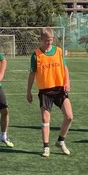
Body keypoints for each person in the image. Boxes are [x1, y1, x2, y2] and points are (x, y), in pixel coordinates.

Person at [26, 26, 73, 157]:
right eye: (47, 40)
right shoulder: (36, 55)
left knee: (69, 116)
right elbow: (32, 74)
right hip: (45, 91)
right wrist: (28, 91)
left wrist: (67, 82)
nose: (49, 42)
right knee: (45, 119)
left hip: (59, 89)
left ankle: (61, 141)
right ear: (41, 39)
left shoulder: (58, 51)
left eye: (51, 40)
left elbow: (65, 68)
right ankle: (46, 147)